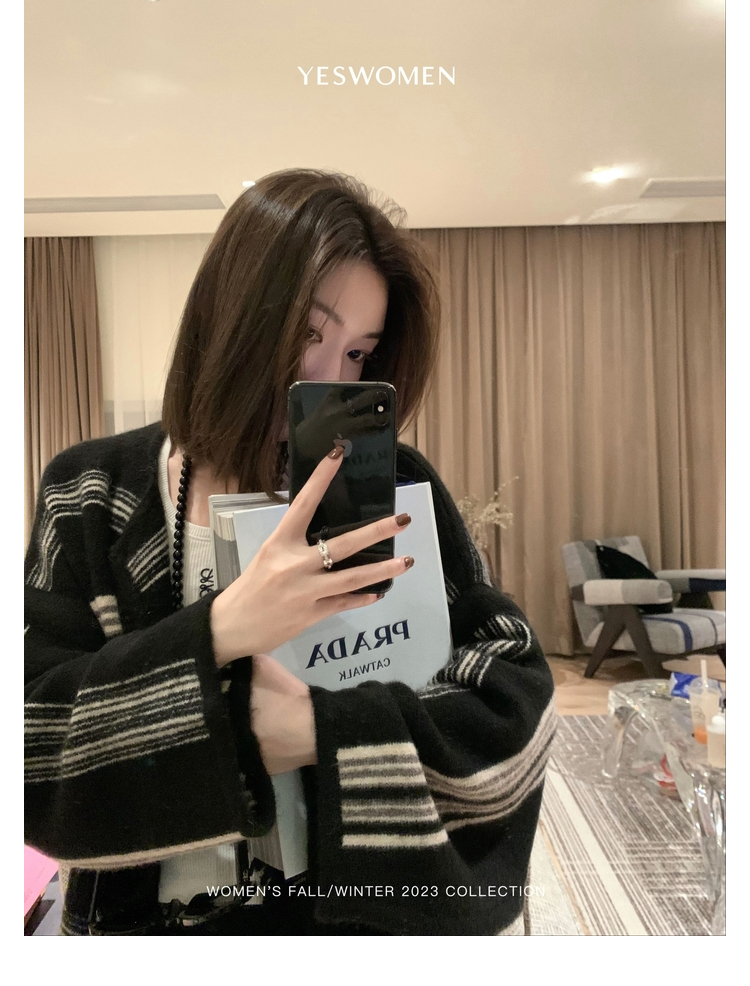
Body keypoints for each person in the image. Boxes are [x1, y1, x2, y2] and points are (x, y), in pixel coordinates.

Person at [24, 169, 556, 936]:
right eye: (311, 335)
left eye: (358, 353)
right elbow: (33, 747)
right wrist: (222, 631)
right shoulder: (91, 493)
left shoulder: (398, 488)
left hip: (348, 930)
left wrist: (317, 730)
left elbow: (513, 698)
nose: (330, 380)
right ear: (234, 317)